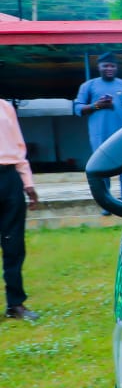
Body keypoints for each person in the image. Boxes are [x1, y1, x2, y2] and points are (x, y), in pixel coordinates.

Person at [73, 52, 122, 205]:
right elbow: (77, 109)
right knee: (102, 170)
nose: (109, 68)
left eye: (113, 65)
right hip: (100, 137)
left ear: (117, 67)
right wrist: (97, 105)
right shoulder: (89, 86)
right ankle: (107, 204)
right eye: (105, 65)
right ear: (98, 67)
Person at [0, 98, 39, 320]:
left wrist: (27, 183)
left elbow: (18, 148)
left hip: (9, 178)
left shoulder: (5, 107)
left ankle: (15, 305)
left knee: (13, 245)